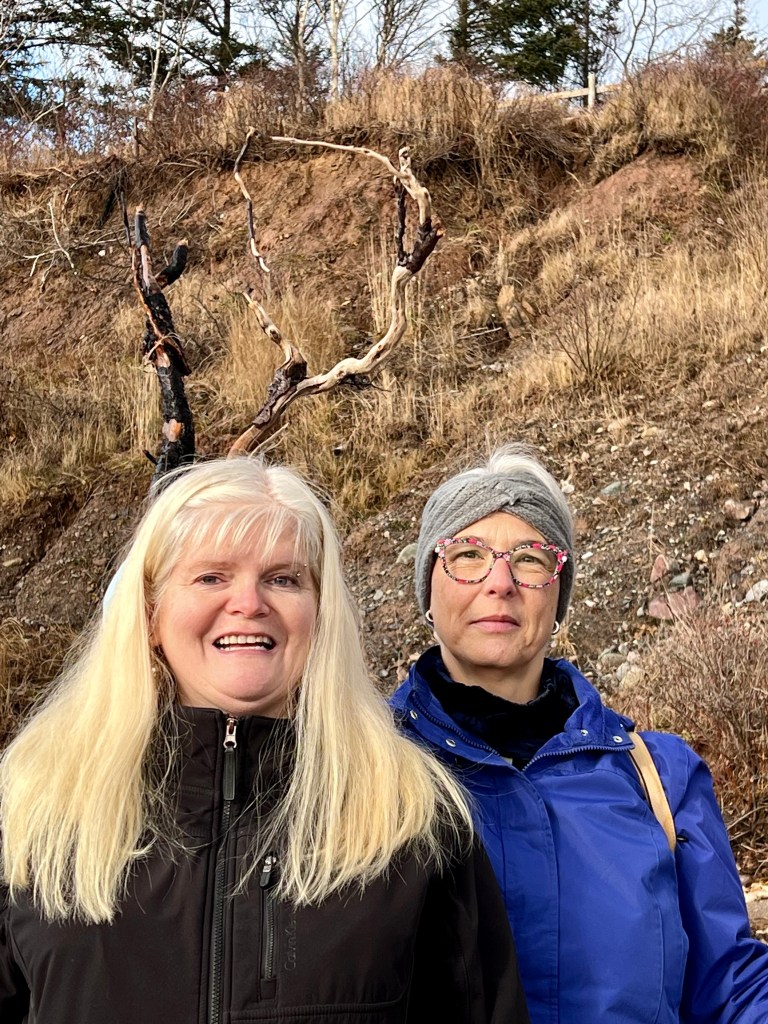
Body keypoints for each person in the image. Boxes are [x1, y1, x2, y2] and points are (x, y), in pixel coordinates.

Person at [0, 457, 529, 1024]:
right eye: (211, 577)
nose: (249, 603)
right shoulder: (33, 805)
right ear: (151, 614)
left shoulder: (411, 816)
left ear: (321, 614)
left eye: (284, 579)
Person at [391, 443, 768, 1024]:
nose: (500, 582)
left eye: (530, 559)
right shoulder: (360, 766)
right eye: (467, 554)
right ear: (427, 589)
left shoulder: (661, 777)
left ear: (558, 594)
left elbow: (730, 991)